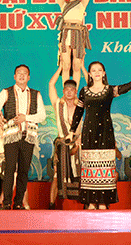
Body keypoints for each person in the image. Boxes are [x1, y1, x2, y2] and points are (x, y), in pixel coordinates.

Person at [66, 61, 131, 209]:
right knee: (90, 168)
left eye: (100, 70)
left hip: (105, 131)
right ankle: (91, 203)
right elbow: (78, 112)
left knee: (105, 168)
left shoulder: (108, 90)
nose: (97, 72)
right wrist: (71, 132)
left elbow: (124, 88)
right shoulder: (84, 91)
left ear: (104, 73)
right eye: (94, 70)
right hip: (89, 132)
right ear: (90, 74)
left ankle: (104, 203)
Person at [0, 64, 46, 210]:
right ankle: (7, 202)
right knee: (9, 169)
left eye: (25, 73)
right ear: (14, 76)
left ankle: (19, 202)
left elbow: (42, 115)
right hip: (11, 136)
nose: (22, 76)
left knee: (24, 170)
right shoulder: (6, 92)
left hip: (28, 136)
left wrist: (26, 118)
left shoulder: (36, 94)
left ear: (29, 77)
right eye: (19, 73)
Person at [47, 67, 85, 208]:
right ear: (63, 91)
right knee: (57, 176)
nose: (69, 92)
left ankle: (86, 205)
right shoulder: (58, 104)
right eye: (66, 89)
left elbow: (90, 85)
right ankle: (51, 205)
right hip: (62, 145)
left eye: (72, 90)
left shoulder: (81, 106)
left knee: (81, 173)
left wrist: (81, 67)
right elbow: (51, 85)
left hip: (77, 144)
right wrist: (61, 69)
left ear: (76, 92)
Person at [52, 0, 94, 84]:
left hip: (78, 34)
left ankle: (75, 92)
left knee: (77, 65)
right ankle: (66, 92)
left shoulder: (82, 4)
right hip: (66, 34)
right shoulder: (64, 4)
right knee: (66, 65)